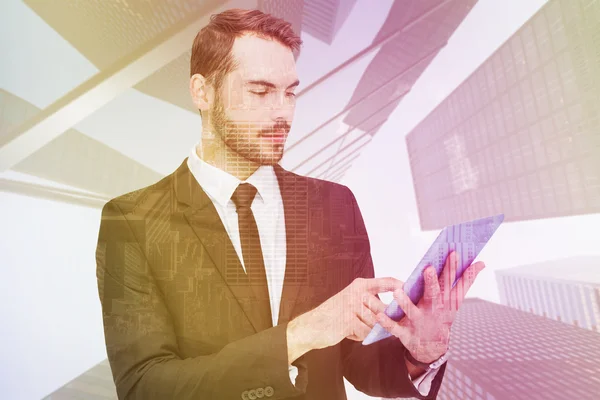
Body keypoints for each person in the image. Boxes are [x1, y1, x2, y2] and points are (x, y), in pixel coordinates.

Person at [95, 8, 485, 400]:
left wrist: (420, 353)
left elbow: (357, 362)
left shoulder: (335, 206)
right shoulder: (133, 222)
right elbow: (144, 387)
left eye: (290, 92)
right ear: (202, 91)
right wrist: (298, 335)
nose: (283, 112)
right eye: (261, 92)